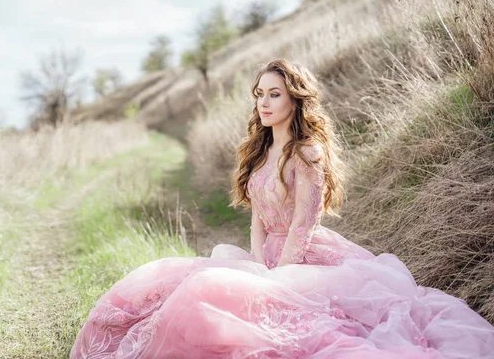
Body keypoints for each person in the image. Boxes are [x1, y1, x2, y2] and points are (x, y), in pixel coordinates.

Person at [70, 59, 494, 359]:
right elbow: (257, 217)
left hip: (304, 256)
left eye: (275, 94)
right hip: (266, 253)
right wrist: (255, 262)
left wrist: (278, 276)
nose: (264, 103)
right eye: (260, 95)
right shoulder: (260, 150)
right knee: (179, 289)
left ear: (295, 99)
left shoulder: (306, 153)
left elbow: (303, 226)